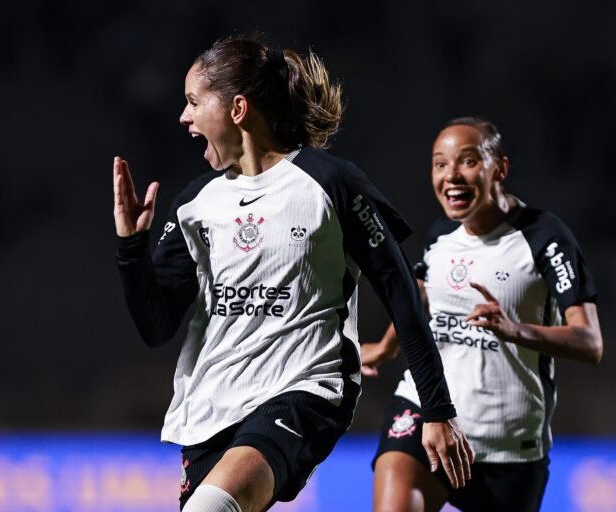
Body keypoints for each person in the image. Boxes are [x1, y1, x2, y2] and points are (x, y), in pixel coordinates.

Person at [112, 37, 473, 512]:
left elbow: (400, 291)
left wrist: (437, 408)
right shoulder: (195, 204)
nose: (184, 117)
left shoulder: (331, 183)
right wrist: (131, 249)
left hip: (305, 391)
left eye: (194, 102)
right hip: (210, 410)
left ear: (237, 109)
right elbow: (156, 326)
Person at [362, 117, 604, 512]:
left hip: (509, 445)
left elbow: (590, 342)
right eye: (440, 164)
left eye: (468, 161)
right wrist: (385, 348)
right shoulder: (441, 235)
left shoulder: (545, 236)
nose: (451, 175)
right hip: (430, 414)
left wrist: (514, 330)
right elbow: (420, 296)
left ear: (500, 168)